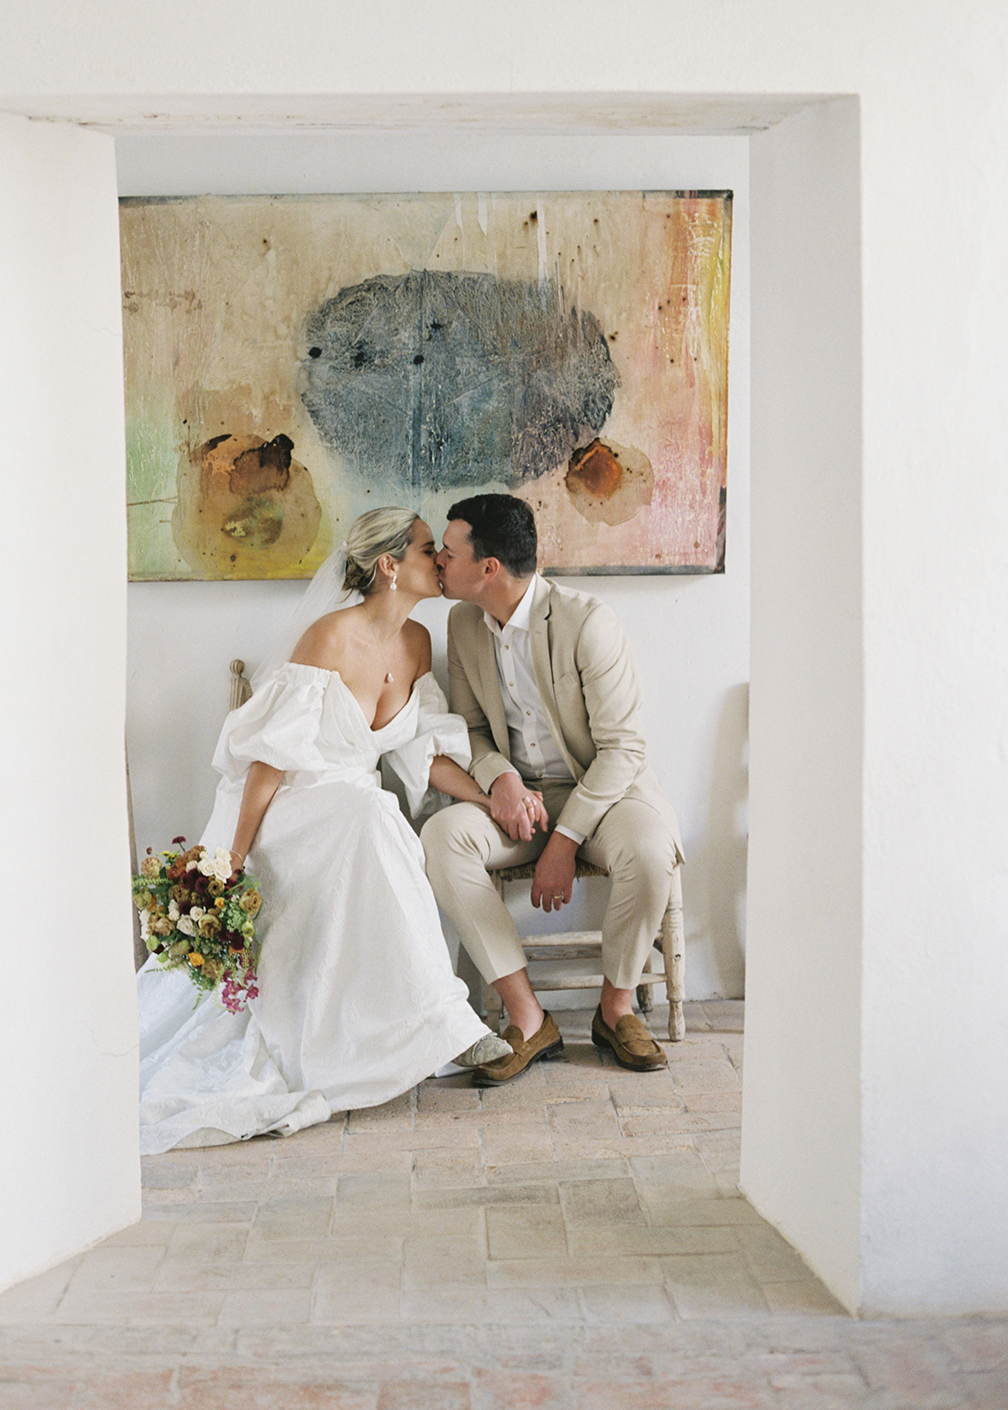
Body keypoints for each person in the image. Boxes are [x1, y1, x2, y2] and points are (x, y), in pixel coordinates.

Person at [136, 507, 510, 1153]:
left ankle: (428, 1023)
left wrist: (491, 797)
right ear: (390, 566)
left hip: (352, 806)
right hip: (288, 805)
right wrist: (231, 859)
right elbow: (271, 759)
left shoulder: (419, 644)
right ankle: (448, 1022)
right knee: (375, 818)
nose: (441, 562)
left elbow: (420, 749)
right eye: (429, 550)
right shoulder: (328, 638)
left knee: (372, 815)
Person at [422, 494, 684, 1085]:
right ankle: (528, 1017)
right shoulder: (462, 623)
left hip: (604, 793)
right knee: (442, 836)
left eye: (448, 550)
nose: (439, 559)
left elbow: (623, 749)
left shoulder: (588, 621)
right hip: (518, 800)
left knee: (650, 850)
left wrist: (565, 841)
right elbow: (472, 729)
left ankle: (615, 1012)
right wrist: (503, 780)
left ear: (489, 568)